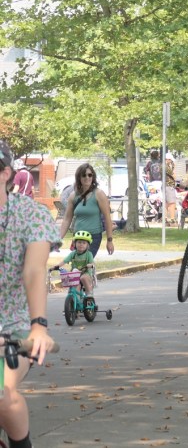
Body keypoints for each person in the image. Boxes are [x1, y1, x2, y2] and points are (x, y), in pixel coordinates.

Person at [0, 141, 57, 448]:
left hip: (13, 327)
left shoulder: (31, 215)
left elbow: (34, 271)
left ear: (5, 173)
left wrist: (38, 326)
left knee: (2, 397)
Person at [59, 163, 116, 258]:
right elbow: (67, 219)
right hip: (78, 237)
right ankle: (90, 272)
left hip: (93, 237)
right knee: (76, 265)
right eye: (84, 175)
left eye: (90, 175)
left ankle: (89, 271)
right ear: (79, 178)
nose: (87, 177)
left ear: (93, 177)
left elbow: (107, 218)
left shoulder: (99, 194)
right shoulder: (73, 196)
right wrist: (58, 238)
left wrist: (109, 241)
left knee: (84, 264)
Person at [61, 230, 97, 300]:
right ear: (75, 244)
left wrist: (90, 265)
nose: (81, 244)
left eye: (84, 243)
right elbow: (64, 261)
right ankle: (75, 303)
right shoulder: (73, 253)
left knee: (83, 278)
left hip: (86, 274)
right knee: (75, 286)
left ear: (87, 245)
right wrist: (56, 266)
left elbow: (92, 263)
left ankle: (89, 293)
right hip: (75, 275)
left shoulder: (88, 254)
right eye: (79, 242)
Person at [163, 156, 178, 226]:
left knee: (166, 203)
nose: (172, 162)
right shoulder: (166, 167)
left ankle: (165, 220)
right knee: (172, 203)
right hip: (169, 186)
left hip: (166, 186)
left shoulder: (164, 166)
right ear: (168, 159)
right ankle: (172, 220)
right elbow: (174, 175)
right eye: (171, 160)